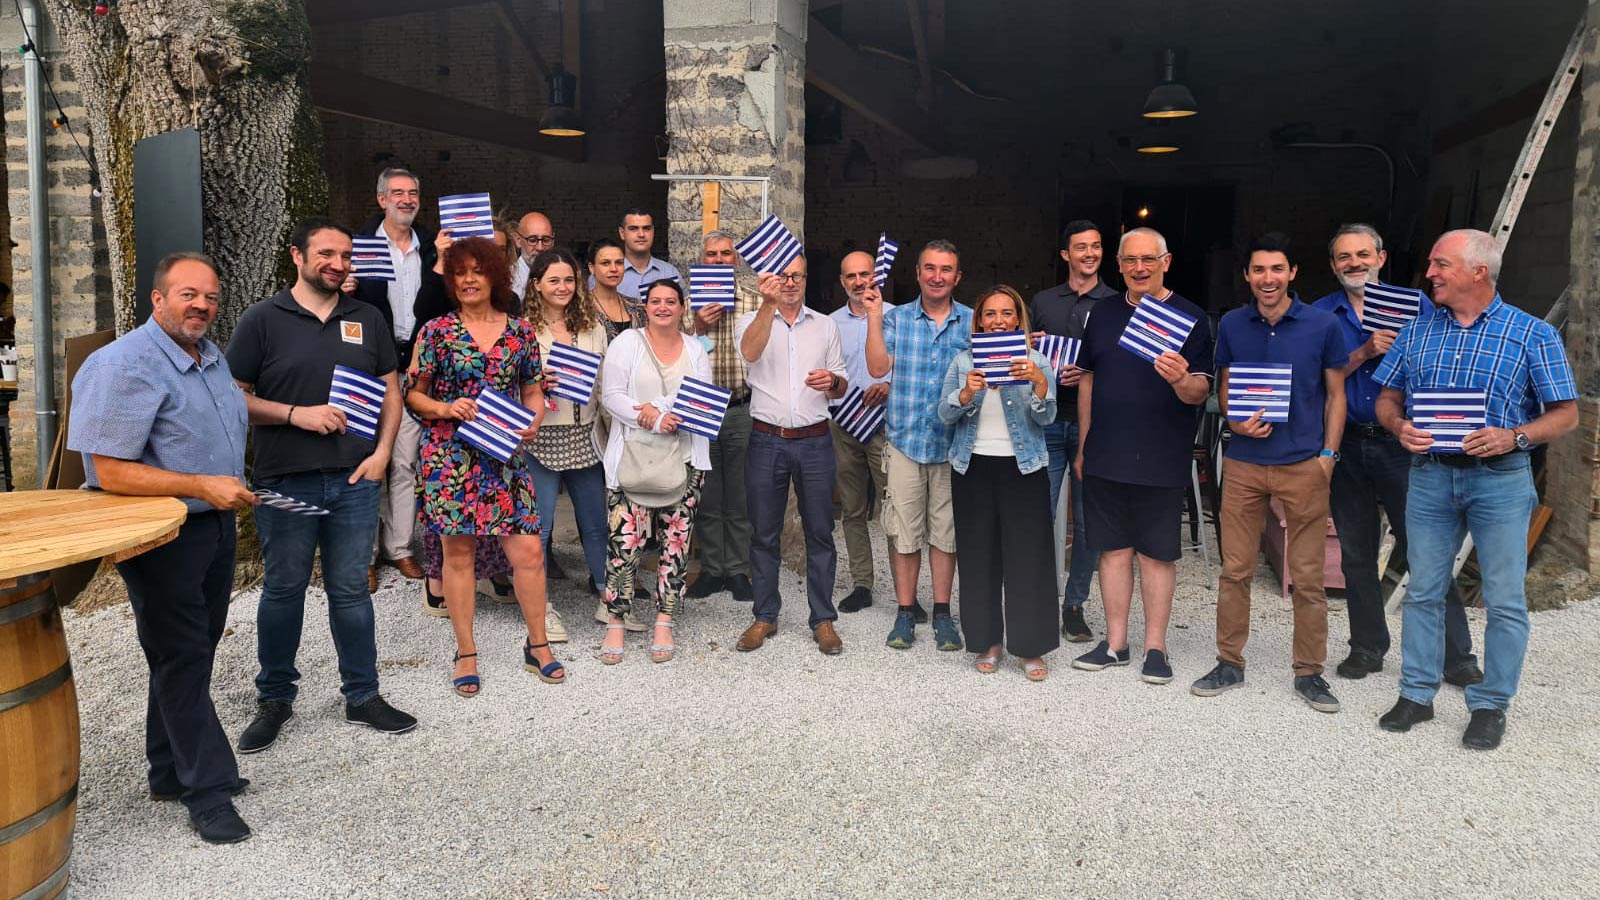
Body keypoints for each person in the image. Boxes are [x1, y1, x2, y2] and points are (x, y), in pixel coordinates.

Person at [68, 252, 256, 843]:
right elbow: (107, 470)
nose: (202, 305)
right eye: (188, 294)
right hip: (161, 536)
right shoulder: (121, 364)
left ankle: (168, 770)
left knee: (190, 650)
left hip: (213, 526)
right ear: (158, 299)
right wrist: (201, 485)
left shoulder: (210, 356)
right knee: (182, 655)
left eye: (211, 297)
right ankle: (209, 791)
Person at [1373, 228, 1577, 750]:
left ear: (1478, 271)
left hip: (1501, 480)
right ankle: (1416, 694)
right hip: (1431, 475)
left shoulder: (1532, 334)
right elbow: (1387, 400)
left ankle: (1490, 705)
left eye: (1440, 264)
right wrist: (1399, 427)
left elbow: (1566, 414)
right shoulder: (1417, 331)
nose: (1430, 274)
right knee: (1423, 589)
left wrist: (1515, 435)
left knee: (1504, 599)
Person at [227, 217, 418, 752]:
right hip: (285, 481)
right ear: (298, 255)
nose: (338, 264)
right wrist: (295, 415)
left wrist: (382, 454)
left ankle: (362, 695)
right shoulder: (262, 319)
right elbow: (231, 396)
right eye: (326, 254)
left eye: (346, 256)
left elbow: (391, 391)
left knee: (351, 592)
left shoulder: (366, 317)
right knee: (284, 590)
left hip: (355, 479)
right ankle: (274, 699)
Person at [1310, 224, 1481, 685]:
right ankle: (1367, 648)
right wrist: (1363, 351)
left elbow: (1444, 363)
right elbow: (1312, 380)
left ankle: (1456, 657)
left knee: (1426, 551)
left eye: (1363, 254)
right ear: (1333, 265)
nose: (1354, 263)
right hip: (1347, 443)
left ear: (1381, 258)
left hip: (1403, 444)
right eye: (1344, 257)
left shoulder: (1418, 305)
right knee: (1356, 554)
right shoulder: (1320, 314)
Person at [1191, 232, 1347, 712]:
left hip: (1303, 463)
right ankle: (1229, 661)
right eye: (1258, 270)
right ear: (1247, 276)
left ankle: (1309, 672)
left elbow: (1336, 395)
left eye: (1277, 268)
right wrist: (1235, 420)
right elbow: (1225, 385)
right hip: (1245, 463)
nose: (1268, 278)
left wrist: (1328, 455)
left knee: (1308, 576)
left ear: (1292, 272)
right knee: (1235, 570)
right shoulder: (1233, 324)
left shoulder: (1323, 325)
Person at [407, 235, 564, 694]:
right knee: (458, 555)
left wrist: (533, 419)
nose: (469, 279)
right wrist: (445, 407)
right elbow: (414, 394)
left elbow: (532, 390)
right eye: (460, 273)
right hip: (450, 457)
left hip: (504, 456)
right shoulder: (435, 331)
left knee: (529, 552)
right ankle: (466, 652)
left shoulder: (520, 332)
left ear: (494, 276)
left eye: (478, 271)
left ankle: (538, 645)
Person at [1071, 227, 1212, 685]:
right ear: (1119, 264)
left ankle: (1155, 647)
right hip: (1106, 450)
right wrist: (1085, 443)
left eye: (1148, 259)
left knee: (1156, 554)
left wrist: (1181, 379)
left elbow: (1200, 391)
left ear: (1166, 262)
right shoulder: (1103, 313)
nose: (1139, 268)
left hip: (1161, 453)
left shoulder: (1191, 317)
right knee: (1112, 550)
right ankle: (1115, 643)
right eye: (1130, 260)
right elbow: (1089, 378)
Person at [938, 287, 1059, 679]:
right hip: (973, 467)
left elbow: (1046, 418)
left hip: (1024, 469)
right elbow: (944, 414)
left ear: (1018, 319)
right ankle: (987, 641)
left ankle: (1030, 646)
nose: (998, 321)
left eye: (1007, 313)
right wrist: (966, 393)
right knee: (978, 557)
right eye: (990, 314)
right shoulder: (963, 362)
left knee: (1029, 558)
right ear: (979, 321)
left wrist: (1040, 384)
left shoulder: (1036, 361)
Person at [732, 255, 850, 655]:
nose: (790, 282)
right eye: (783, 275)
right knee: (764, 532)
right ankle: (765, 615)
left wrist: (831, 381)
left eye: (797, 275)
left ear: (805, 278)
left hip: (815, 440)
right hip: (767, 438)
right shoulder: (750, 320)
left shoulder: (825, 324)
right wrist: (767, 305)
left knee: (820, 531)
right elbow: (750, 353)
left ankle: (823, 619)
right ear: (770, 280)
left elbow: (841, 386)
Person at [596, 278, 713, 663]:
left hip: (685, 459)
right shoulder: (626, 343)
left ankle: (665, 619)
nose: (663, 307)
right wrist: (650, 418)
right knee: (624, 545)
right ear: (644, 307)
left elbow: (701, 399)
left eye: (671, 301)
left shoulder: (695, 349)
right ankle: (616, 620)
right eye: (655, 301)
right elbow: (611, 396)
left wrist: (659, 410)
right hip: (632, 456)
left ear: (682, 308)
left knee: (676, 545)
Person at [864, 239, 973, 650]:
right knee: (904, 533)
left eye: (946, 270)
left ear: (957, 277)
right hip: (905, 441)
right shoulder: (896, 319)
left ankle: (943, 613)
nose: (937, 276)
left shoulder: (972, 321)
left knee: (945, 535)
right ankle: (906, 611)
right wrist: (874, 317)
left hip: (953, 445)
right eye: (930, 268)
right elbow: (877, 367)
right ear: (917, 273)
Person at [1029, 220, 1118, 642]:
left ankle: (1074, 605)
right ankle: (1038, 600)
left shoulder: (1117, 304)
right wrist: (1029, 346)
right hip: (1045, 421)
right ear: (1066, 254)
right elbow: (1020, 359)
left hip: (1094, 425)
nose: (1090, 254)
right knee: (1038, 515)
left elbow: (1124, 363)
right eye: (1081, 247)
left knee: (1087, 523)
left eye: (1096, 247)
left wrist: (1091, 372)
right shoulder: (1043, 301)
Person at [351, 167, 436, 585]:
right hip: (369, 369)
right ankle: (363, 553)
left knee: (406, 461)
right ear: (381, 199)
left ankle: (399, 547)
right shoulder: (359, 245)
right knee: (367, 460)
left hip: (415, 367)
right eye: (398, 192)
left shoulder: (433, 248)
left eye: (413, 192)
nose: (406, 199)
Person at [523, 248, 615, 627]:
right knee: (540, 527)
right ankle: (541, 607)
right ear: (536, 284)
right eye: (554, 280)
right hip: (540, 436)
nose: (563, 287)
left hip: (586, 434)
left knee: (595, 522)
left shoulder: (593, 326)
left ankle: (609, 597)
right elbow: (506, 384)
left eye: (569, 280)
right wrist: (535, 383)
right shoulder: (522, 330)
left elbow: (607, 381)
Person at [684, 230, 761, 603]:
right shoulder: (686, 304)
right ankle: (713, 569)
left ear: (736, 259)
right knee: (708, 494)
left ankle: (739, 570)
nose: (718, 259)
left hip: (741, 407)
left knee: (741, 494)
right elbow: (671, 351)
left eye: (725, 253)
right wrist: (697, 326)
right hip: (700, 408)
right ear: (702, 260)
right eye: (711, 254)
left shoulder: (755, 302)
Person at [829, 250, 891, 612]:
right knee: (852, 509)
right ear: (842, 281)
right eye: (850, 276)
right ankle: (862, 583)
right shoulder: (829, 324)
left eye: (864, 274)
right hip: (844, 424)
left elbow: (909, 366)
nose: (858, 282)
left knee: (894, 507)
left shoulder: (895, 317)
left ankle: (905, 589)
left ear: (875, 275)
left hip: (886, 423)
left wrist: (890, 385)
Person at [615, 208, 683, 300]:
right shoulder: (610, 274)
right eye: (633, 229)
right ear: (622, 233)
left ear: (653, 231)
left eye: (646, 228)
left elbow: (684, 306)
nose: (641, 234)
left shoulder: (669, 272)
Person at [588, 238, 647, 341]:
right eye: (605, 263)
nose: (614, 269)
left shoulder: (637, 306)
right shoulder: (581, 307)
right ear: (592, 268)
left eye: (619, 263)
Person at [510, 210, 556, 298]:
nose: (540, 248)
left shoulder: (562, 277)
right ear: (518, 240)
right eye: (532, 240)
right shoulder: (507, 280)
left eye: (546, 240)